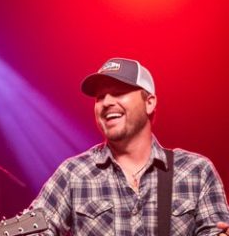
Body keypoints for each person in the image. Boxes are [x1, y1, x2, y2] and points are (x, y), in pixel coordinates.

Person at [31, 57, 229, 235]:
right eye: (100, 97)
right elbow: (32, 230)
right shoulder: (73, 173)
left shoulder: (196, 171)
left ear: (149, 103)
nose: (106, 102)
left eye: (118, 92)